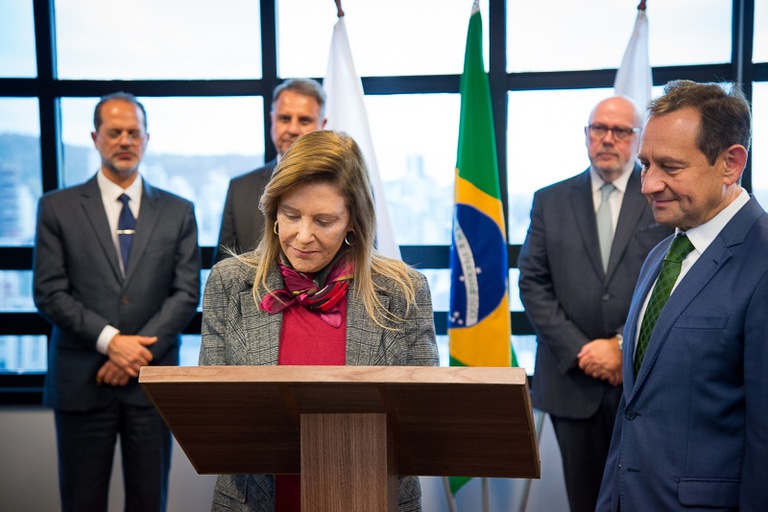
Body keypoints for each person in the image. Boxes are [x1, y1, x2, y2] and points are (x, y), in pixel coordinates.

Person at [200, 130, 438, 512]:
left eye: (324, 220)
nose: (303, 236)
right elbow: (214, 415)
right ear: (272, 210)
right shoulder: (230, 284)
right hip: (253, 501)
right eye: (291, 215)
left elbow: (421, 420)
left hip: (371, 498)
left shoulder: (403, 291)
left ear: (354, 222)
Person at [597, 80, 768, 510]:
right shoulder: (661, 254)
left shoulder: (762, 261)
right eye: (644, 165)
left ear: (730, 164)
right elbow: (633, 412)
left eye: (670, 168)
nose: (648, 185)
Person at [33, 92, 201, 512]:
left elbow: (186, 293)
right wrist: (112, 342)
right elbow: (49, 291)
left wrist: (134, 351)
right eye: (114, 132)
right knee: (81, 501)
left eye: (133, 132)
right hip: (82, 381)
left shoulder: (179, 211)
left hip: (152, 383)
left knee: (149, 502)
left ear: (146, 138)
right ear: (95, 137)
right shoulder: (57, 208)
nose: (124, 140)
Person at [517, 96, 672, 512]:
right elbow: (532, 283)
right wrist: (583, 352)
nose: (607, 139)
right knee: (584, 502)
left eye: (620, 131)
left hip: (642, 381)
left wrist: (622, 347)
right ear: (585, 135)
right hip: (573, 381)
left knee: (642, 500)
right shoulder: (549, 200)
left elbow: (670, 284)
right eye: (598, 129)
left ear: (638, 140)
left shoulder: (661, 198)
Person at [214, 78, 327, 262]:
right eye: (284, 118)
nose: (293, 129)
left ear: (322, 125)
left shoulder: (347, 186)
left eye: (304, 120)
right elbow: (222, 273)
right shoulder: (239, 189)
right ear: (272, 120)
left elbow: (362, 264)